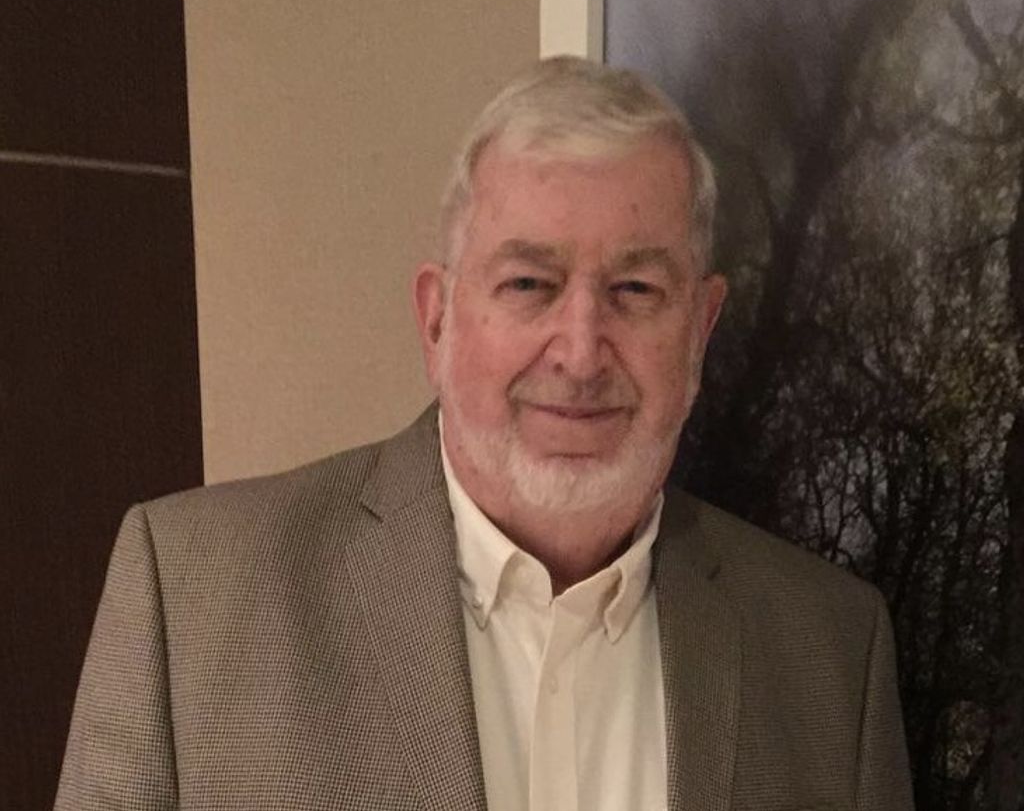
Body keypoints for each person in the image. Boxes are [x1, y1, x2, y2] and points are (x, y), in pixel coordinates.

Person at [56, 57, 913, 811]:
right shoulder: (191, 599)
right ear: (437, 320)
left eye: (636, 291)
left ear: (700, 331)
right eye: (530, 283)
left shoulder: (833, 653)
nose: (580, 352)